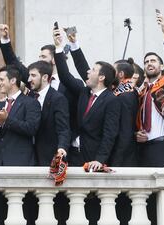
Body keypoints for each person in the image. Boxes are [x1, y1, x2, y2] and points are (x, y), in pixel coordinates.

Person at [0, 24, 82, 165]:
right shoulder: (34, 81)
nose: (39, 59)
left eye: (43, 57)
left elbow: (64, 127)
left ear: (54, 59)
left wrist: (62, 148)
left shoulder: (70, 85)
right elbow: (15, 65)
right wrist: (6, 40)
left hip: (58, 150)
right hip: (32, 152)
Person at [53, 28, 120, 170]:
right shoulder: (84, 93)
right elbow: (65, 76)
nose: (89, 71)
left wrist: (100, 160)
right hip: (73, 154)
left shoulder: (111, 100)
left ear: (101, 77)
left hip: (93, 158)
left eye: (93, 70)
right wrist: (60, 47)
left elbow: (110, 133)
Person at [135, 12, 164, 167]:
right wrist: (136, 133)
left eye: (153, 61)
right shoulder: (141, 92)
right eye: (146, 61)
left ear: (161, 66)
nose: (149, 63)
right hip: (142, 149)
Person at [0, 65, 41, 166]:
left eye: (1, 80)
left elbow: (31, 128)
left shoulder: (30, 103)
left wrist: (7, 119)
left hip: (20, 163)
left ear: (13, 80)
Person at [27, 60, 70, 165]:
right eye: (29, 75)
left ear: (45, 77)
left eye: (33, 75)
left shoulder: (58, 99)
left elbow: (63, 128)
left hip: (48, 156)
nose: (29, 79)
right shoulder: (30, 96)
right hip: (29, 156)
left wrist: (62, 148)